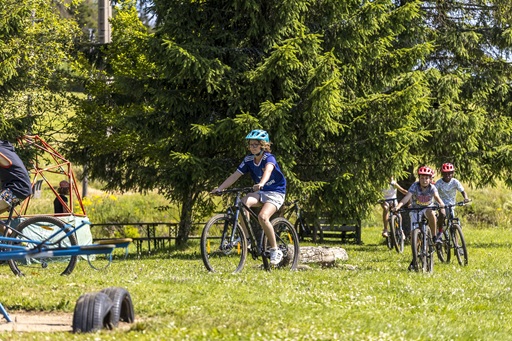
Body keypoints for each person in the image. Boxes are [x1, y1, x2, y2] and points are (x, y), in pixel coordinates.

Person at [211, 129, 287, 265]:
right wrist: (220, 188)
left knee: (263, 217)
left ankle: (275, 249)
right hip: (261, 192)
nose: (252, 147)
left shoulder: (269, 158)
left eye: (255, 145)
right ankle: (246, 238)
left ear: (263, 145)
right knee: (243, 202)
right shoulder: (248, 160)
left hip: (276, 192)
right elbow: (235, 175)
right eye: (250, 145)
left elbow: (268, 171)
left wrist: (262, 183)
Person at [392, 166, 445, 270]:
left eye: (426, 178)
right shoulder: (414, 186)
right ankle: (415, 258)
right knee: (414, 236)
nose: (424, 180)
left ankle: (434, 237)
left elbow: (437, 197)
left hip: (427, 208)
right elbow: (407, 197)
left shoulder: (432, 187)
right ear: (419, 178)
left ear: (430, 179)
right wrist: (398, 207)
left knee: (431, 213)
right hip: (415, 210)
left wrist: (442, 204)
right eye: (422, 178)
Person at [435, 163, 470, 240]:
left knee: (453, 223)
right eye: (445, 173)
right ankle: (440, 232)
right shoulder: (439, 183)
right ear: (442, 173)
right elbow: (433, 193)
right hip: (442, 204)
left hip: (451, 205)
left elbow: (463, 191)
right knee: (442, 215)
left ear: (453, 173)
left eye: (449, 173)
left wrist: (466, 198)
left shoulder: (455, 182)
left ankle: (456, 244)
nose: (447, 175)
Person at [0, 140, 32, 217]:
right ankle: (6, 229)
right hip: (19, 188)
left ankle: (7, 230)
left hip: (16, 188)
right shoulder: (5, 149)